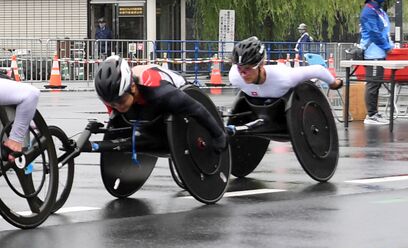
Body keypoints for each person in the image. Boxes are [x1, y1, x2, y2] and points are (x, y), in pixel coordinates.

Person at [92, 54, 227, 152]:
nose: (118, 107)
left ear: (132, 87)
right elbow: (118, 125)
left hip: (176, 92)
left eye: (120, 101)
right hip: (144, 101)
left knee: (154, 132)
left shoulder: (161, 92)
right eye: (112, 104)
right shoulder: (113, 95)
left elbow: (197, 109)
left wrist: (219, 135)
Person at [229, 36, 341, 99]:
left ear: (261, 65)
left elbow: (318, 70)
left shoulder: (284, 77)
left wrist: (334, 83)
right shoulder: (234, 76)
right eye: (240, 68)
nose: (243, 74)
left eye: (248, 68)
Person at [360, 0, 394, 125]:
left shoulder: (379, 11)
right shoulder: (368, 12)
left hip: (380, 53)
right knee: (373, 84)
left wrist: (389, 44)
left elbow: (384, 31)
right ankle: (371, 115)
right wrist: (387, 46)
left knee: (377, 83)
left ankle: (375, 113)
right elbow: (374, 33)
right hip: (373, 53)